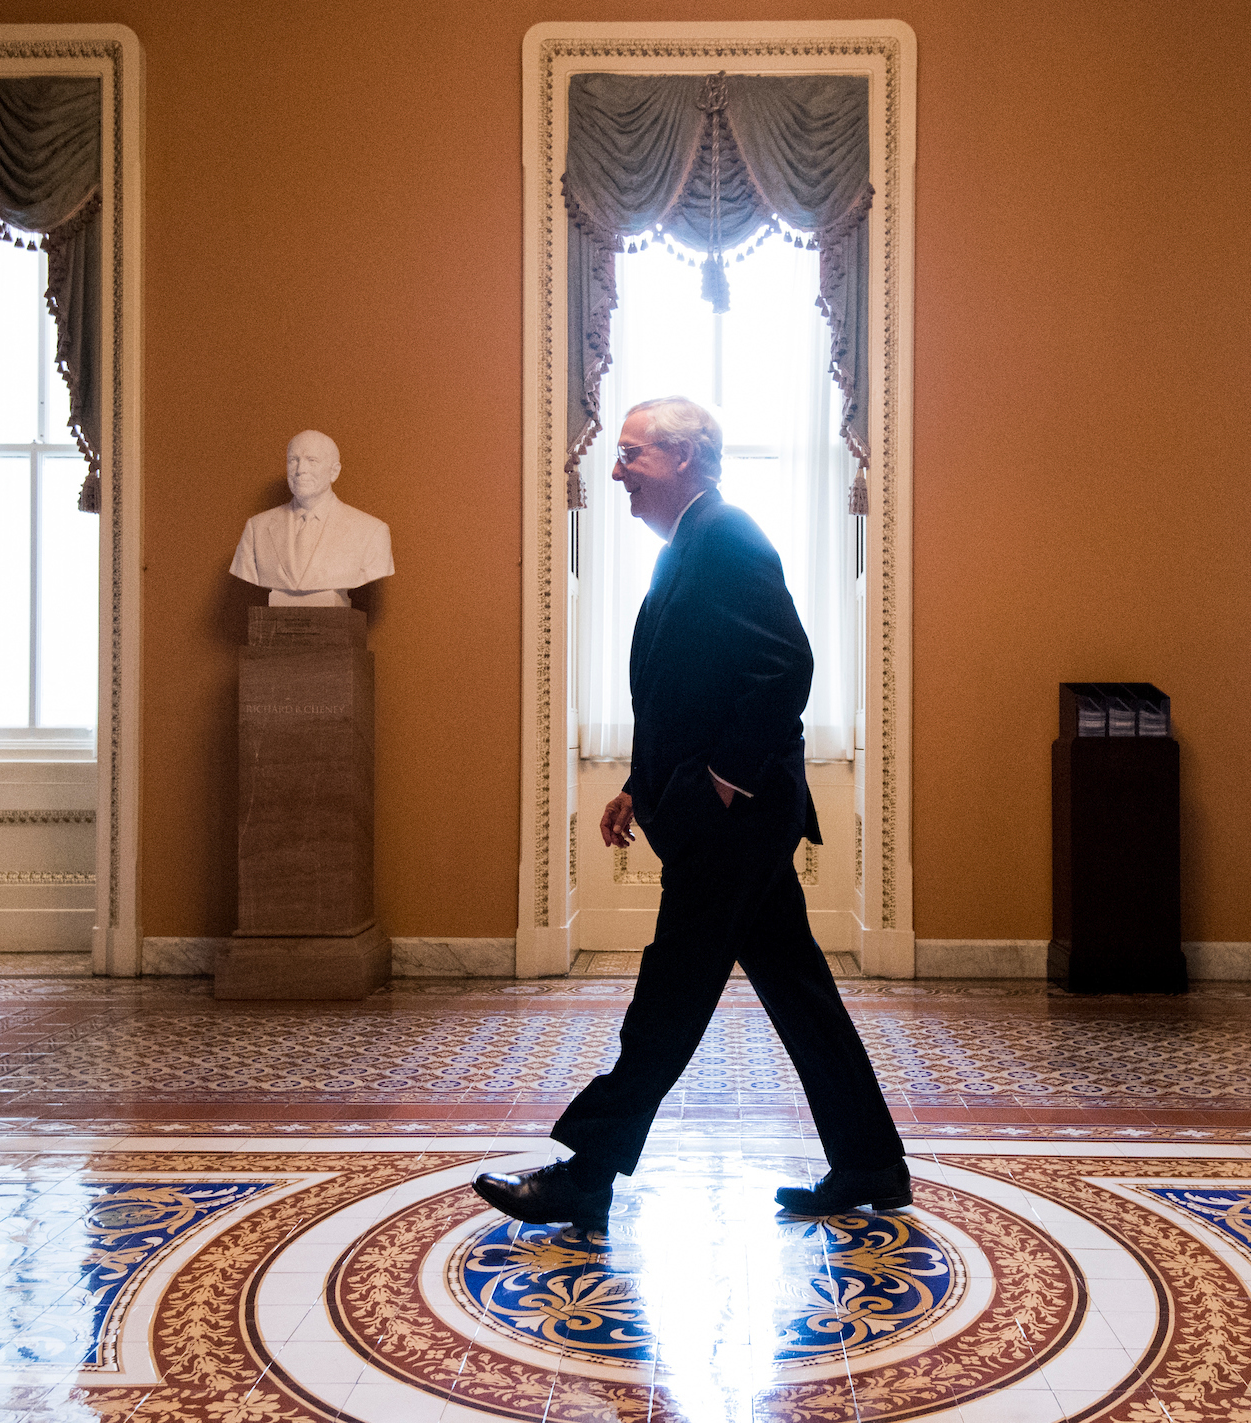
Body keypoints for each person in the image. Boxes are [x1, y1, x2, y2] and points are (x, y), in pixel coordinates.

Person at [473, 396, 908, 1231]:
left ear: (683, 459)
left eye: (631, 454)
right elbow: (684, 689)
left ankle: (588, 1172)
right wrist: (641, 782)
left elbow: (787, 666)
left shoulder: (727, 536)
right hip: (733, 819)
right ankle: (871, 1162)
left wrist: (724, 781)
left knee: (669, 995)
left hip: (735, 823)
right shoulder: (692, 545)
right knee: (800, 989)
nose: (616, 470)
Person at [229, 430, 393, 606]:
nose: (300, 470)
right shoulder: (257, 527)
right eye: (293, 460)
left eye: (312, 461)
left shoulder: (371, 531)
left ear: (334, 472)